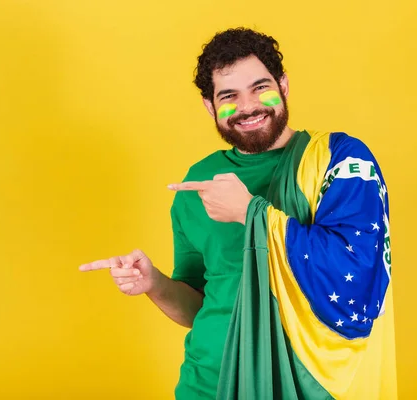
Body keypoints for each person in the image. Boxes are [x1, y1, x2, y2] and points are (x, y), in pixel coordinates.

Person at [79, 27, 397, 400]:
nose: (248, 107)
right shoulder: (198, 182)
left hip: (307, 383)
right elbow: (200, 303)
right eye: (229, 96)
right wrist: (155, 284)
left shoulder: (339, 159)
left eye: (260, 88)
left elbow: (358, 267)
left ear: (284, 86)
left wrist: (250, 212)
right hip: (208, 382)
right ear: (210, 106)